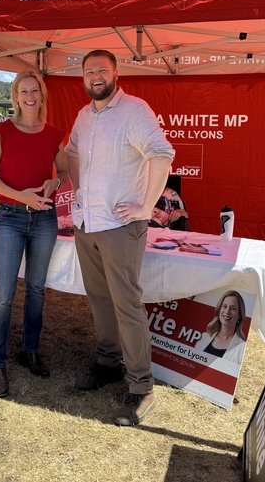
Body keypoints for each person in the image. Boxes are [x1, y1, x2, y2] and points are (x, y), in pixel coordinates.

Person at [66, 49, 174, 427]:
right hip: (87, 224)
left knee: (126, 305)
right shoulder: (84, 115)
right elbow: (72, 153)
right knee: (99, 299)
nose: (95, 76)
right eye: (89, 71)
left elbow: (162, 153)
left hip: (120, 227)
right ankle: (108, 363)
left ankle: (142, 386)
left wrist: (146, 207)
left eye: (102, 70)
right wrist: (76, 192)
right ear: (83, 78)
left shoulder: (134, 110)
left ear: (116, 74)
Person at [0, 70, 68, 398]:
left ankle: (30, 351)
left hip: (44, 220)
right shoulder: (1, 132)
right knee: (4, 293)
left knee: (36, 290)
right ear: (15, 96)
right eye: (23, 91)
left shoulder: (54, 134)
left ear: (42, 96)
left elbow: (66, 169)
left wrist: (55, 182)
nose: (29, 96)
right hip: (10, 219)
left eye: (35, 90)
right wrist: (23, 197)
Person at [193, 291, 247, 363]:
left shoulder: (242, 347)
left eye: (233, 308)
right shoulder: (204, 337)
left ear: (239, 315)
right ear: (219, 310)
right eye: (224, 306)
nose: (227, 312)